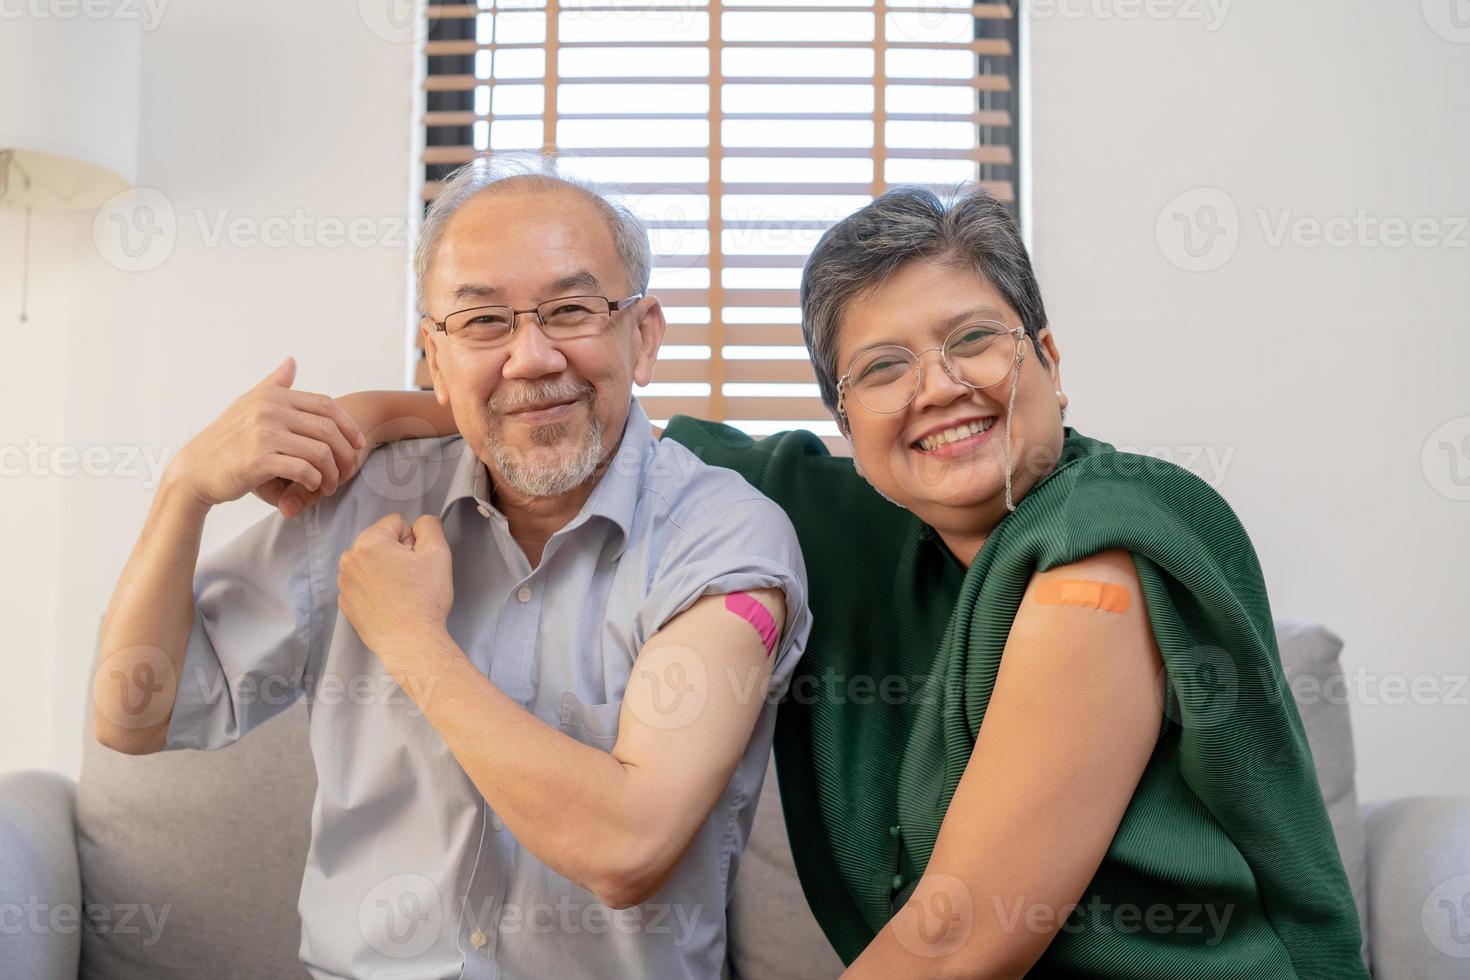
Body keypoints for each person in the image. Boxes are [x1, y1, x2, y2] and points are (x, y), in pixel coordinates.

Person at [329, 183, 1367, 977]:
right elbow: (593, 420)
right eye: (881, 368)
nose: (939, 387)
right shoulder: (851, 520)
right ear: (848, 428)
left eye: (972, 340)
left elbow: (960, 940)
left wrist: (414, 636)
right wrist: (378, 414)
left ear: (1048, 354)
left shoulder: (1108, 540)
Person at [94, 157, 812, 980]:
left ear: (641, 336)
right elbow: (131, 717)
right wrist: (183, 490)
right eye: (482, 324)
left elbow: (627, 847)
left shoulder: (724, 536)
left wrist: (408, 637)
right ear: (434, 356)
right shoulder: (358, 502)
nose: (532, 357)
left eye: (571, 310)